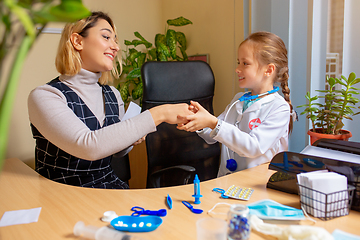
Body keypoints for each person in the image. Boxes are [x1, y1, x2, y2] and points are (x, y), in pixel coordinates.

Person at [27, 11, 193, 189]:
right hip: (64, 194)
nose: (116, 47)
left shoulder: (112, 94)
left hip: (109, 187)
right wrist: (160, 113)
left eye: (115, 40)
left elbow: (117, 152)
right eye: (106, 37)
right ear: (77, 41)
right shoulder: (46, 96)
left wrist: (131, 137)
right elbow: (89, 146)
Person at [177, 31, 297, 177]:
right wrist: (198, 120)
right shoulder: (239, 99)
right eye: (238, 62)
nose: (237, 69)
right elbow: (213, 135)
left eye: (245, 63)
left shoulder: (279, 108)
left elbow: (253, 147)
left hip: (257, 186)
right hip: (227, 181)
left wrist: (213, 123)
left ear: (269, 69)